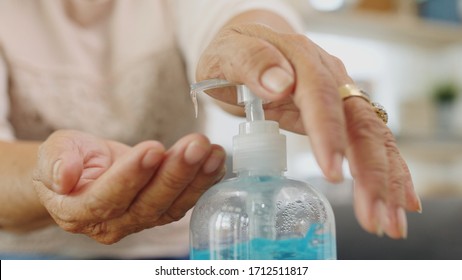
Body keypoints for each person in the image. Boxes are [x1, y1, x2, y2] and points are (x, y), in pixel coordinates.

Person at [0, 0, 421, 259]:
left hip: (177, 252)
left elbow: (238, 12)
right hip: (32, 257)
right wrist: (51, 177)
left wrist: (260, 51)